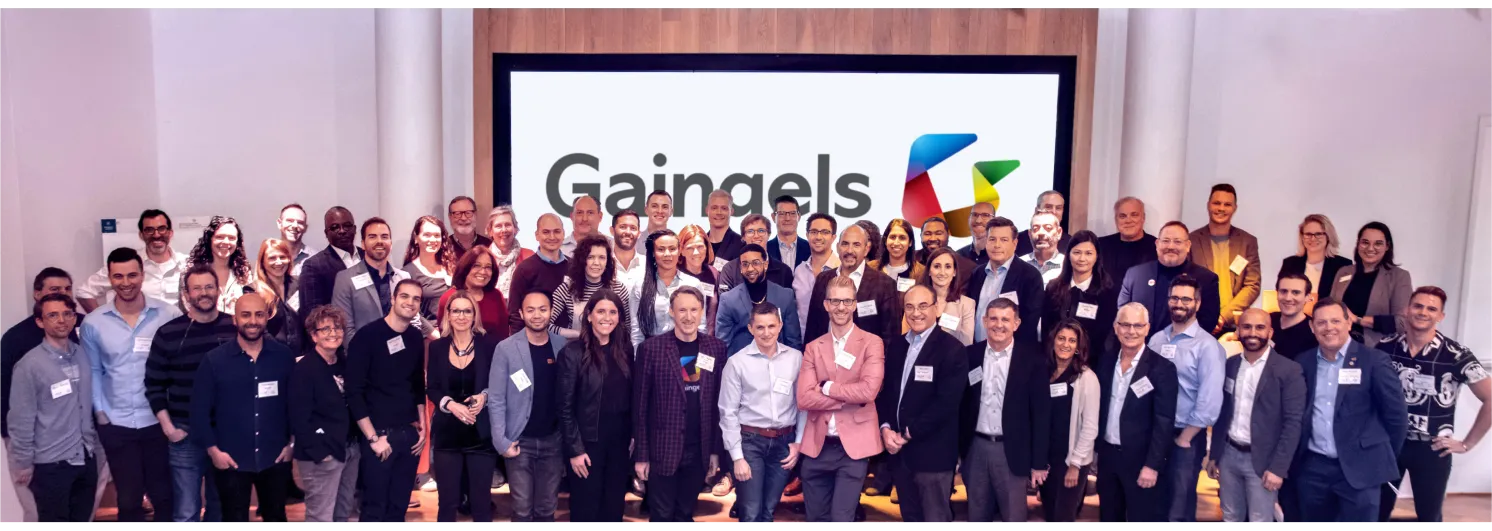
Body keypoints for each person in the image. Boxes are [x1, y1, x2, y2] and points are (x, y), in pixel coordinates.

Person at [1375, 287, 1492, 525]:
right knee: (1375, 513)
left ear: (1441, 316)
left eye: (1431, 308)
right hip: (1389, 445)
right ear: (1407, 310)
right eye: (1418, 306)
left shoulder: (1456, 355)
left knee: (1429, 517)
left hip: (1431, 449)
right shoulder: (1385, 347)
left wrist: (1467, 444)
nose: (1423, 312)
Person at [83, 248, 181, 524]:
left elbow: (177, 368)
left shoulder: (168, 314)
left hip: (159, 421)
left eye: (132, 275)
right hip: (117, 423)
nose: (126, 282)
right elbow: (94, 371)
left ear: (142, 275)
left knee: (164, 496)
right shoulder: (93, 323)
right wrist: (100, 413)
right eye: (118, 276)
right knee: (128, 500)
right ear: (109, 278)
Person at [1291, 297, 1406, 524]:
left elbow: (1397, 417)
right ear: (1312, 327)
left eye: (1335, 321)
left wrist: (1376, 455)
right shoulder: (1303, 362)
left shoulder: (1374, 361)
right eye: (1321, 322)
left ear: (1348, 323)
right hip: (1314, 470)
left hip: (1362, 470)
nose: (1329, 327)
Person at [190, 293, 295, 526]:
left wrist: (292, 444)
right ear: (235, 319)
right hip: (231, 460)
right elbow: (199, 412)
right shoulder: (214, 361)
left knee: (277, 521)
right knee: (233, 522)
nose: (253, 321)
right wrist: (214, 452)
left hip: (275, 458)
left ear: (267, 317)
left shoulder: (283, 356)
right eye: (246, 315)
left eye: (259, 315)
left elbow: (296, 403)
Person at [143, 264, 234, 524]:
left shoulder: (234, 327)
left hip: (226, 434)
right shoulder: (168, 333)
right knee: (185, 512)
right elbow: (154, 384)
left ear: (218, 290)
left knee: (221, 510)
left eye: (209, 287)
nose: (204, 293)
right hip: (185, 434)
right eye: (197, 288)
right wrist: (169, 428)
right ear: (186, 294)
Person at [875, 285, 968, 524]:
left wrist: (907, 434)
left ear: (936, 308)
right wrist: (885, 428)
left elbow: (946, 404)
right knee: (911, 520)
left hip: (933, 457)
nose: (916, 313)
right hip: (900, 456)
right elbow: (887, 393)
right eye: (910, 307)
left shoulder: (952, 349)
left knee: (935, 520)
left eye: (923, 306)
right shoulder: (897, 346)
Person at [1205, 308, 1306, 525]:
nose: (1252, 333)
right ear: (1238, 331)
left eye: (1260, 327)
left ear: (1270, 332)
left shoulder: (1289, 370)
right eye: (1247, 327)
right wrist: (1215, 455)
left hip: (1263, 461)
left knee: (1260, 521)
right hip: (1229, 455)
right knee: (1230, 518)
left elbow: (1293, 424)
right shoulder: (1230, 365)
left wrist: (1278, 468)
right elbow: (1223, 413)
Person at [796, 275, 885, 524]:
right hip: (818, 445)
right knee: (816, 519)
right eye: (835, 301)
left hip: (853, 448)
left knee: (841, 520)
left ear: (855, 304)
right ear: (826, 305)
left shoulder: (872, 343)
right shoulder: (813, 347)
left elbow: (868, 392)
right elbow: (804, 398)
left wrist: (826, 387)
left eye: (847, 301)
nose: (841, 307)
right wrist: (847, 398)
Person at [633, 286, 725, 524]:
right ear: (671, 312)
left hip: (699, 450)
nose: (688, 316)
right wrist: (641, 456)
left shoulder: (716, 348)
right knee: (661, 516)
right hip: (662, 451)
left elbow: (718, 406)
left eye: (694, 310)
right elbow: (640, 407)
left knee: (685, 515)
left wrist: (715, 451)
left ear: (702, 311)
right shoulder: (651, 349)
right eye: (682, 310)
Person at [958, 297, 1051, 525]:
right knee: (977, 517)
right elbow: (960, 406)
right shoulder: (970, 356)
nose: (999, 325)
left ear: (1016, 324)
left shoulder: (1033, 360)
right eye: (994, 319)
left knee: (1014, 518)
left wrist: (1039, 462)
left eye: (1005, 320)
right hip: (976, 448)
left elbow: (1041, 415)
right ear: (984, 321)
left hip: (1012, 451)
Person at [6, 294, 97, 524]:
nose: (61, 320)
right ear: (40, 322)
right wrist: (22, 463)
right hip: (51, 465)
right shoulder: (29, 365)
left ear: (74, 318)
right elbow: (20, 419)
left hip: (86, 458)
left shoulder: (83, 355)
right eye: (53, 315)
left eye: (67, 314)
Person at [344, 280, 429, 524]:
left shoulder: (414, 336)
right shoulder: (367, 336)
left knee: (398, 509)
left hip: (409, 435)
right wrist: (373, 438)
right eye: (404, 296)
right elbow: (354, 391)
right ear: (392, 299)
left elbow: (417, 384)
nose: (410, 302)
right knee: (374, 510)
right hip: (379, 436)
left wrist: (423, 426)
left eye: (416, 299)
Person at [1147, 275, 1226, 524]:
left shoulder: (1208, 346)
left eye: (1186, 299)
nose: (1179, 303)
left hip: (1185, 437)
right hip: (1155, 435)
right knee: (1154, 504)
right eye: (1174, 298)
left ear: (1197, 303)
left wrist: (1186, 437)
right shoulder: (1156, 340)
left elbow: (1210, 398)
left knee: (1178, 511)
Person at [719, 302, 807, 523]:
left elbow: (803, 405)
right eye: (760, 327)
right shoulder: (736, 363)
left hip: (784, 444)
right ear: (751, 328)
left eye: (771, 326)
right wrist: (737, 457)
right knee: (750, 513)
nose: (766, 333)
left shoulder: (796, 359)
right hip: (750, 443)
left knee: (768, 512)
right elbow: (728, 413)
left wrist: (798, 442)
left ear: (780, 326)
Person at [1, 267, 75, 525]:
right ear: (37, 294)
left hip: (72, 439)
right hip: (29, 440)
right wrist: (15, 443)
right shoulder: (16, 339)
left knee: (76, 508)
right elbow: (4, 393)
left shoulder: (78, 329)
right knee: (36, 511)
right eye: (55, 289)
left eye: (67, 289)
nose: (63, 294)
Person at [1094, 302, 1177, 524]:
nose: (1131, 331)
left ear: (1147, 328)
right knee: (1109, 518)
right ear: (1116, 327)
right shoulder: (1105, 361)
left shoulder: (1162, 369)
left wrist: (1152, 466)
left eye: (1138, 325)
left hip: (1141, 461)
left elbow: (1164, 422)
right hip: (1108, 457)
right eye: (1125, 325)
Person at [490, 289, 568, 524]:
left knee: (547, 509)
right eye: (530, 310)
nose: (537, 315)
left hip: (553, 441)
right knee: (522, 511)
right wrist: (501, 441)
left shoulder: (561, 345)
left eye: (542, 309)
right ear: (521, 313)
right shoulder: (505, 348)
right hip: (519, 441)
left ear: (551, 312)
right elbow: (496, 398)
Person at [558, 291, 633, 525]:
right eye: (601, 311)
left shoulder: (626, 350)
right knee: (586, 513)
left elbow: (631, 398)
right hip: (587, 446)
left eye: (613, 312)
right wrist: (575, 451)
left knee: (613, 511)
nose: (607, 317)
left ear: (619, 317)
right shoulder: (571, 353)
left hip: (619, 445)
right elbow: (564, 408)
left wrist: (633, 437)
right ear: (589, 316)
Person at [425, 291, 497, 524]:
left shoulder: (489, 345)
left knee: (481, 504)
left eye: (467, 311)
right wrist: (451, 405)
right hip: (448, 434)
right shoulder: (437, 347)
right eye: (456, 310)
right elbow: (432, 388)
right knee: (447, 503)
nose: (462, 316)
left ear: (475, 315)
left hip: (480, 433)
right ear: (448, 314)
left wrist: (484, 397)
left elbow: (499, 383)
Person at [289, 305, 359, 524]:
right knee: (320, 518)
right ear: (314, 335)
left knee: (342, 514)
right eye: (325, 329)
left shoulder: (345, 363)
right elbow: (299, 418)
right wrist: (321, 454)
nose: (333, 333)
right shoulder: (304, 369)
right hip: (322, 455)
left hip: (349, 449)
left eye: (337, 328)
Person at [1039, 319, 1100, 525]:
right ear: (1053, 341)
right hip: (1047, 460)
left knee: (1063, 518)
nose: (1065, 344)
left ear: (1078, 347)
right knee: (1050, 515)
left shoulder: (1087, 378)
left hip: (1071, 461)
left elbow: (1090, 427)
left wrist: (1075, 465)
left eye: (1072, 341)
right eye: (1061, 338)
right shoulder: (1044, 372)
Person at [1117, 221, 1221, 335]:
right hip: (1140, 343)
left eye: (1177, 242)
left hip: (1184, 344)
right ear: (1157, 244)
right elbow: (1123, 314)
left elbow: (1207, 323)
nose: (1171, 247)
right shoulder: (1135, 274)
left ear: (1187, 246)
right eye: (1166, 241)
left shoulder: (1206, 279)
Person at [1187, 184, 1261, 334]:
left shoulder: (1247, 242)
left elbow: (1252, 285)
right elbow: (1186, 282)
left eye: (1227, 204)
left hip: (1233, 326)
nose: (1221, 208)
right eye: (1217, 203)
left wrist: (1222, 317)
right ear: (1208, 205)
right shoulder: (1191, 241)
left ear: (1234, 208)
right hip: (1198, 323)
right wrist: (1208, 316)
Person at [1328, 221, 1413, 347]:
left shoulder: (1399, 276)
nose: (1370, 248)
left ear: (1387, 246)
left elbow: (1403, 322)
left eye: (1378, 243)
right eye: (1365, 242)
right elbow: (1330, 307)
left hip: (1375, 349)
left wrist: (1358, 320)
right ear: (1358, 244)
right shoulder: (1344, 272)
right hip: (1337, 344)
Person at [966, 217, 1045, 344]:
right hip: (977, 349)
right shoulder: (977, 274)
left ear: (1014, 243)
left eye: (1004, 240)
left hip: (1012, 351)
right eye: (992, 239)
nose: (997, 245)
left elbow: (1029, 324)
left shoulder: (1030, 276)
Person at [1042, 230, 1118, 358]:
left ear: (1097, 257)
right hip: (1053, 359)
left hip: (1090, 361)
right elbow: (1046, 329)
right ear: (1068, 255)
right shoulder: (1053, 288)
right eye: (1077, 252)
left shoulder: (1107, 292)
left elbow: (1105, 336)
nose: (1082, 259)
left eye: (1088, 253)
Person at [716, 244, 802, 355]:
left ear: (765, 265)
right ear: (740, 268)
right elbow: (722, 344)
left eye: (755, 263)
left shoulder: (785, 296)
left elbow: (793, 340)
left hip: (778, 360)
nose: (750, 269)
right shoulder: (728, 300)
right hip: (742, 361)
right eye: (745, 264)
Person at [296, 206, 362, 313]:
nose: (342, 231)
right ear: (326, 233)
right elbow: (312, 313)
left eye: (347, 226)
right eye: (335, 227)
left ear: (354, 229)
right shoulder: (313, 266)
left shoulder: (367, 256)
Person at [186, 216, 254, 314]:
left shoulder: (244, 272)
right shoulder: (193, 271)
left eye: (231, 238)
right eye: (220, 237)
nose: (226, 242)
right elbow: (187, 306)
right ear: (210, 239)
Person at [1277, 214, 1352, 302]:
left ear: (1328, 236)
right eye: (1308, 234)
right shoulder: (1290, 263)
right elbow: (1281, 294)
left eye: (1318, 234)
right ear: (1302, 237)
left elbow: (1347, 298)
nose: (1313, 238)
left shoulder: (1343, 265)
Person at [911, 247, 976, 345]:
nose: (942, 272)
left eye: (948, 267)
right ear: (929, 271)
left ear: (954, 272)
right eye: (937, 266)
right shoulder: (915, 299)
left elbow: (966, 343)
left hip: (952, 354)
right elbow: (908, 336)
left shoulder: (967, 304)